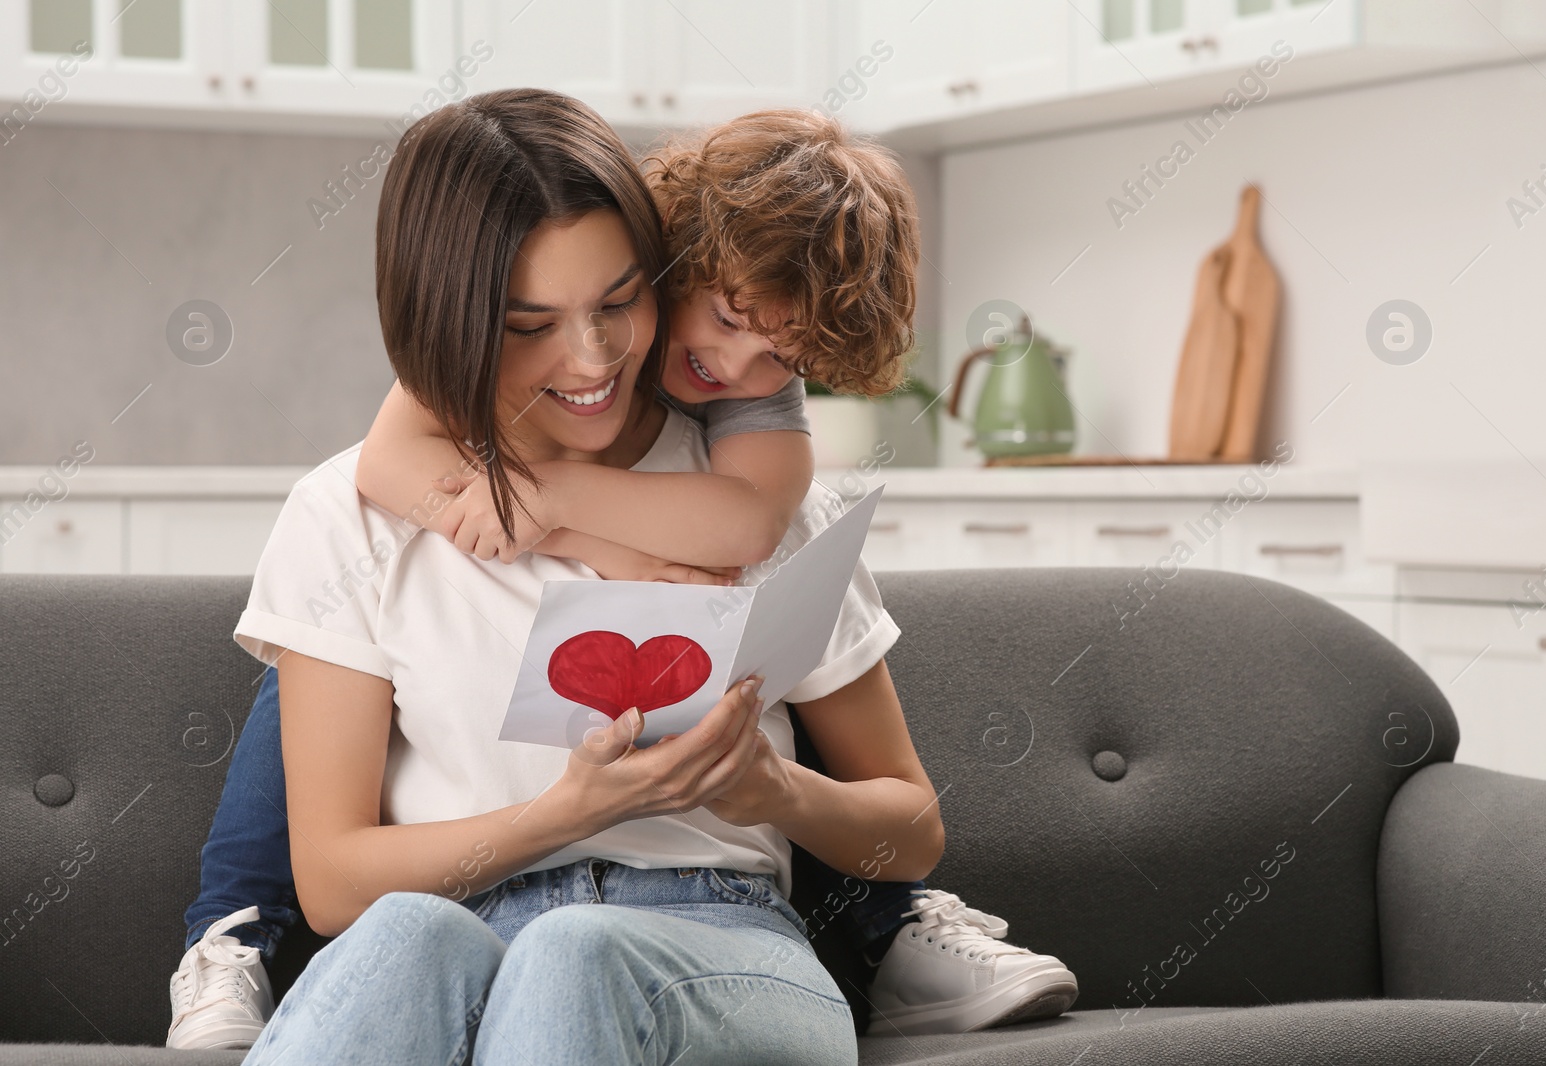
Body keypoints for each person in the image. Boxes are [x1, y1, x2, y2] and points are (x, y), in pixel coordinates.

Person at [166, 101, 1076, 1055]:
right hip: (466, 922)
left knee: (575, 950)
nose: (595, 358)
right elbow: (338, 886)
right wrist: (563, 817)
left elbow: (909, 824)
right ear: (455, 323)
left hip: (720, 934)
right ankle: (230, 936)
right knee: (406, 932)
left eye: (618, 302)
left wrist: (775, 791)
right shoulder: (352, 509)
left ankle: (894, 939)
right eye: (531, 323)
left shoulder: (750, 496)